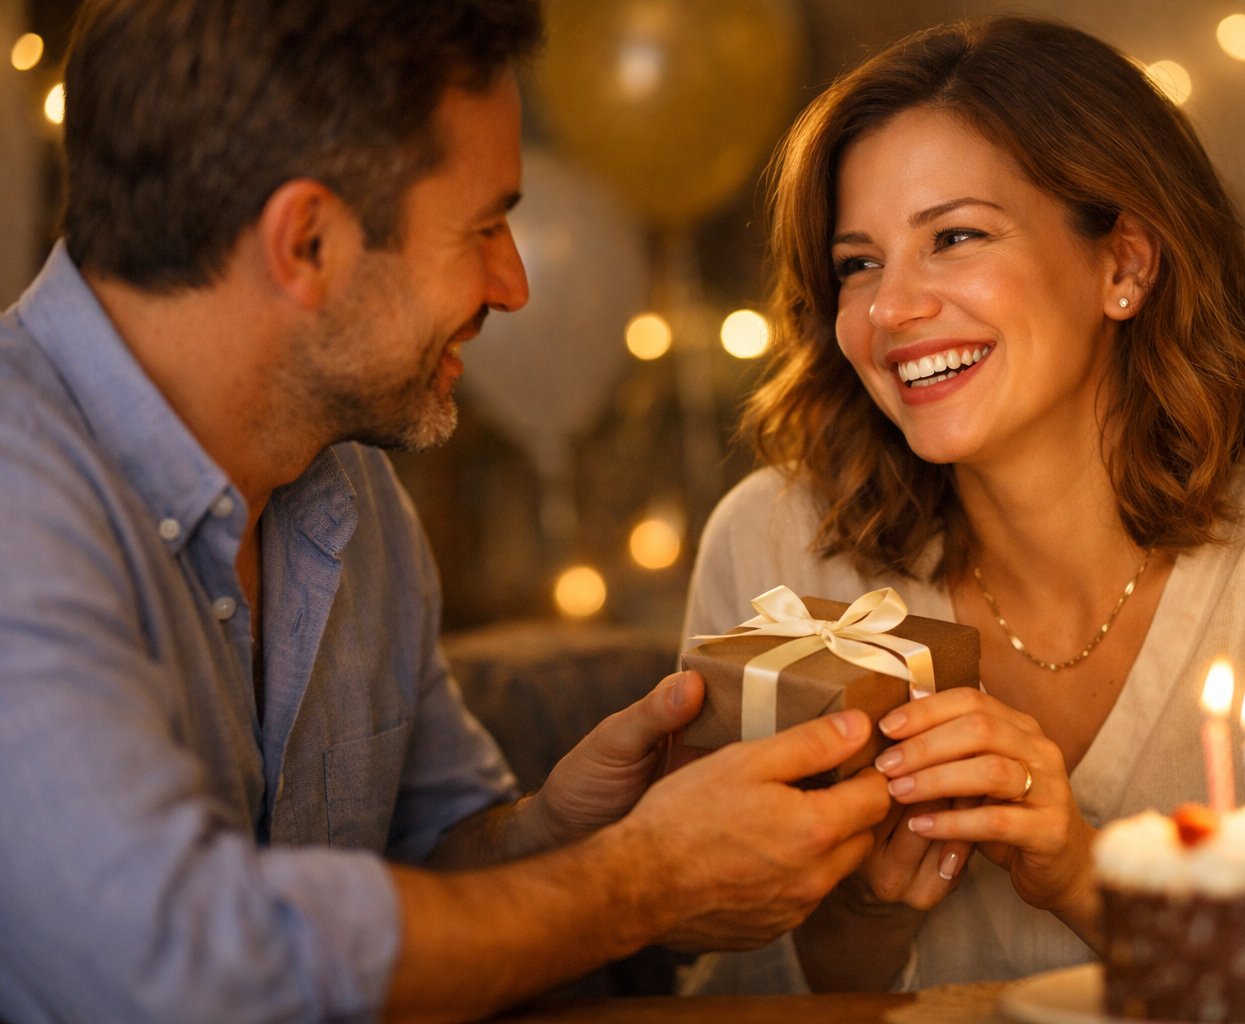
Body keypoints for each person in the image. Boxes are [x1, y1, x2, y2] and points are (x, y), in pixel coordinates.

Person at [0, 1, 894, 1021]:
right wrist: (644, 881)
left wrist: (569, 831)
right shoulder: (18, 498)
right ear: (308, 240)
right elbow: (183, 970)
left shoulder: (349, 486)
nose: (512, 284)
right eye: (483, 227)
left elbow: (430, 857)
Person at [680, 15, 1245, 995]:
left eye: (954, 237)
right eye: (857, 263)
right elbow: (721, 996)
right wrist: (862, 914)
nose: (890, 311)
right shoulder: (775, 546)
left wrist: (1086, 875)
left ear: (1123, 265)